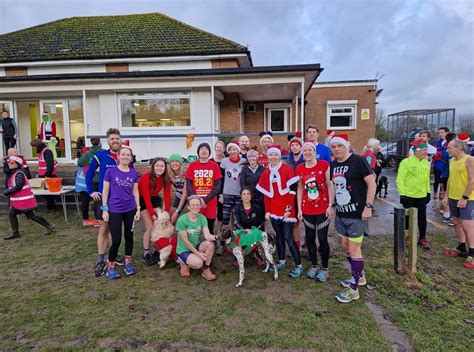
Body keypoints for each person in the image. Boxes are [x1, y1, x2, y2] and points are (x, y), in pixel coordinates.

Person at [329, 134, 376, 303]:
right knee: (346, 247)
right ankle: (360, 276)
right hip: (341, 214)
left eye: (339, 146)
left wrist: (368, 207)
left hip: (357, 215)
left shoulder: (358, 161)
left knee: (355, 249)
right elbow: (333, 187)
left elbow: (372, 183)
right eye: (333, 147)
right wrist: (331, 205)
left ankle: (354, 288)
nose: (336, 149)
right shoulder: (333, 165)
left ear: (346, 146)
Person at [256, 145, 303, 278]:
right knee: (279, 237)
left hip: (287, 210)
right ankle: (281, 261)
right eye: (270, 155)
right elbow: (266, 194)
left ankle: (298, 265)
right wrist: (268, 211)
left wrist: (288, 209)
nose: (273, 157)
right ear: (267, 156)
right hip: (274, 210)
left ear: (279, 156)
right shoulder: (266, 172)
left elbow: (293, 190)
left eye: (275, 155)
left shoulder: (287, 169)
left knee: (289, 238)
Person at [86, 128, 125, 277]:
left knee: (115, 230)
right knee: (104, 229)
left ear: (121, 140)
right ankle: (101, 259)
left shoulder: (125, 155)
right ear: (108, 141)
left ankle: (113, 254)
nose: (115, 141)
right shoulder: (101, 155)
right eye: (112, 139)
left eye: (117, 138)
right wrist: (91, 191)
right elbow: (88, 174)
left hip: (121, 201)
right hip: (104, 199)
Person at [296, 141, 334, 282]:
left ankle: (325, 268)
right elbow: (300, 189)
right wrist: (299, 208)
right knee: (310, 238)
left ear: (314, 152)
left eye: (309, 150)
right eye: (304, 150)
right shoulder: (300, 168)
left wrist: (330, 204)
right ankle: (314, 265)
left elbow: (330, 185)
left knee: (322, 238)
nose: (307, 152)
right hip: (307, 209)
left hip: (322, 208)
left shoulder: (324, 165)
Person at [101, 146, 140, 280]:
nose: (125, 157)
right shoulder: (110, 172)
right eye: (123, 154)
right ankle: (110, 266)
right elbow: (105, 191)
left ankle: (128, 264)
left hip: (130, 209)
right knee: (116, 239)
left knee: (129, 236)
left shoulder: (134, 173)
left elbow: (135, 192)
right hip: (114, 209)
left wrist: (138, 208)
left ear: (131, 157)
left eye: (128, 155)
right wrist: (105, 209)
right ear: (118, 156)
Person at [3, 156, 55, 240]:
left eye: (11, 162)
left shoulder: (18, 173)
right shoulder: (15, 173)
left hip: (24, 201)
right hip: (20, 201)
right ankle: (15, 232)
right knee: (13, 214)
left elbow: (18, 186)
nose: (9, 163)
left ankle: (49, 225)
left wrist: (7, 192)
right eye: (8, 162)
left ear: (17, 164)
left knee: (30, 215)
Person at [442, 139, 474, 269]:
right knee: (456, 222)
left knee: (467, 225)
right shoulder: (451, 161)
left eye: (449, 148)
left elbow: (473, 180)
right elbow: (450, 178)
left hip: (468, 198)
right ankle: (461, 247)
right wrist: (446, 195)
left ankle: (472, 252)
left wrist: (465, 197)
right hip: (453, 197)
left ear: (459, 148)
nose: (447, 150)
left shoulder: (469, 159)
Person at [397, 139, 431, 250]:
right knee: (407, 218)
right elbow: (400, 179)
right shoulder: (406, 162)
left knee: (422, 218)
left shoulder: (426, 162)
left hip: (422, 196)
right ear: (417, 150)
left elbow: (426, 179)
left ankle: (422, 238)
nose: (426, 152)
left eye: (427, 149)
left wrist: (428, 192)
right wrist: (403, 194)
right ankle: (407, 237)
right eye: (424, 150)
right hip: (409, 196)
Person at [175, 195, 218, 280]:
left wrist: (217, 237)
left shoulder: (202, 218)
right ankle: (183, 262)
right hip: (184, 250)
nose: (196, 207)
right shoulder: (182, 220)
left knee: (210, 244)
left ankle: (206, 269)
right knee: (198, 263)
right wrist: (199, 254)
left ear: (200, 206)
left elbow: (207, 236)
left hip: (195, 246)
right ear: (188, 207)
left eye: (198, 204)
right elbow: (185, 241)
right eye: (193, 205)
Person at [139, 157, 172, 266]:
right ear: (153, 167)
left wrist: (166, 214)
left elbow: (167, 197)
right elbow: (147, 199)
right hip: (143, 199)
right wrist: (152, 215)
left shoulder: (166, 178)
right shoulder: (146, 177)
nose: (159, 168)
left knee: (160, 224)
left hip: (155, 199)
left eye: (162, 166)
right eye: (157, 165)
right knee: (150, 226)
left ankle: (156, 250)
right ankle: (146, 253)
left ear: (165, 167)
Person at [185, 143, 223, 236]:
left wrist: (205, 200)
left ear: (209, 152)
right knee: (194, 225)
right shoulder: (193, 165)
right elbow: (189, 183)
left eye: (206, 149)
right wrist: (196, 199)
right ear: (198, 152)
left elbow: (217, 185)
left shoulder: (214, 166)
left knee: (210, 225)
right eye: (201, 148)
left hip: (210, 201)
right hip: (195, 201)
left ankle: (210, 242)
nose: (204, 150)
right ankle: (194, 244)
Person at [76, 137, 102, 226]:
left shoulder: (87, 153)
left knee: (87, 201)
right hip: (102, 179)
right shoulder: (103, 152)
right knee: (99, 201)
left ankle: (86, 220)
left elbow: (80, 163)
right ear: (99, 142)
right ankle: (99, 220)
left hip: (90, 179)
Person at [220, 142, 246, 227]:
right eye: (230, 150)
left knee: (237, 217)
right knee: (225, 217)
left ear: (238, 151)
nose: (232, 152)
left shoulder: (244, 161)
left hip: (239, 193)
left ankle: (237, 236)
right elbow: (221, 178)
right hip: (227, 193)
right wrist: (221, 194)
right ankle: (224, 236)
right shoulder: (224, 161)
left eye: (234, 149)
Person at [30, 138, 57, 211]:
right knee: (44, 192)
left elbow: (50, 165)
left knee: (45, 192)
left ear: (37, 145)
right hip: (43, 175)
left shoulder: (46, 152)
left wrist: (46, 175)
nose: (34, 148)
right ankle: (51, 206)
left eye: (34, 146)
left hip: (48, 175)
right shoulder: (42, 151)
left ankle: (51, 207)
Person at [440, 133, 457, 225]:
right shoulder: (449, 152)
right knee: (448, 195)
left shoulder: (447, 150)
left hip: (445, 175)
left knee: (446, 194)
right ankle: (447, 216)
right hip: (448, 176)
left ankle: (447, 216)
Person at [211, 140, 226, 237]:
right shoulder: (210, 161)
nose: (219, 149)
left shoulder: (226, 161)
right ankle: (210, 233)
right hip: (212, 192)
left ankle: (219, 235)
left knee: (221, 214)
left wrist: (222, 193)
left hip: (223, 191)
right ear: (215, 148)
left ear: (224, 149)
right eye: (217, 147)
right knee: (211, 214)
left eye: (221, 147)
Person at [168, 153, 187, 224]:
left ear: (180, 163)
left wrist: (177, 210)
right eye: (172, 161)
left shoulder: (185, 174)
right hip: (179, 195)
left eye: (177, 161)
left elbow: (185, 194)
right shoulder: (170, 174)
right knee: (170, 216)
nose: (174, 163)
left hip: (188, 196)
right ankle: (171, 231)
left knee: (176, 214)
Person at [433, 127, 449, 199]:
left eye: (442, 132)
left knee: (445, 179)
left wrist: (440, 153)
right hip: (438, 163)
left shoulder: (450, 142)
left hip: (445, 164)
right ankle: (435, 192)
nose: (440, 134)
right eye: (439, 133)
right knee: (437, 179)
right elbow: (435, 151)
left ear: (447, 133)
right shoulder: (438, 142)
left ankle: (443, 193)